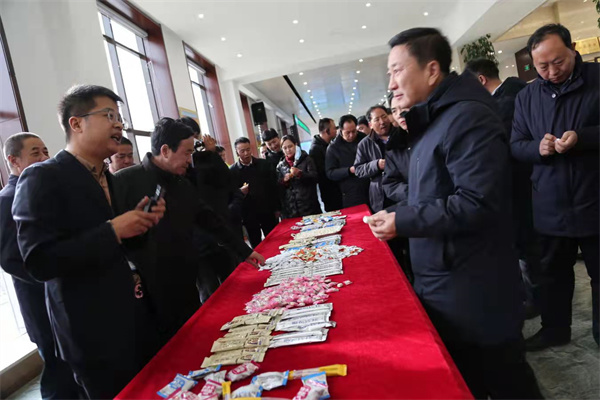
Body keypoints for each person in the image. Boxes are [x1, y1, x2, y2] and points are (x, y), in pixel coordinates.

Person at [367, 28, 542, 399]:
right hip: (448, 281)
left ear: (432, 70)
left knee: (507, 383)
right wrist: (398, 211)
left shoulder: (467, 117)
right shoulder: (433, 119)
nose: (391, 84)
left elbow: (478, 202)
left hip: (474, 290)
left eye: (397, 71)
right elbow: (432, 191)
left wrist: (403, 221)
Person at [12, 84, 165, 398]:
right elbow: (39, 261)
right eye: (109, 116)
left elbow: (117, 248)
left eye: (120, 118)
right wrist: (112, 230)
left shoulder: (106, 177)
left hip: (132, 316)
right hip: (90, 331)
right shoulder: (43, 177)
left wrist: (139, 226)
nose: (119, 125)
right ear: (76, 123)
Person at [113, 118, 264, 343]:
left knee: (192, 339)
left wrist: (245, 251)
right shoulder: (124, 182)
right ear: (165, 150)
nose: (189, 159)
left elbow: (210, 221)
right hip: (148, 290)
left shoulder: (182, 184)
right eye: (186, 153)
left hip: (185, 280)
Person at [511, 24, 599, 350]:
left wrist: (583, 138)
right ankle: (554, 330)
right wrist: (538, 148)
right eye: (542, 66)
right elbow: (516, 145)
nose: (552, 71)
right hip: (550, 202)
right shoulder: (526, 96)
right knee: (552, 275)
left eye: (558, 62)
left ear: (573, 49)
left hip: (594, 197)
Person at [0, 133, 81, 400]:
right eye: (35, 153)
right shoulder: (7, 199)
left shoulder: (41, 192)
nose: (45, 158)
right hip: (40, 301)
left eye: (46, 151)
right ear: (13, 160)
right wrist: (52, 278)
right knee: (58, 375)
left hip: (63, 296)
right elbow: (10, 259)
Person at [465, 58, 540, 319]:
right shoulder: (514, 94)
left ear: (480, 80)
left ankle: (535, 300)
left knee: (527, 247)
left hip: (519, 184)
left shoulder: (505, 103)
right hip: (523, 185)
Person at [179, 117, 244, 297]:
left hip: (219, 232)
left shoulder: (207, 158)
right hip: (197, 243)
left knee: (233, 284)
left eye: (195, 137)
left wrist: (211, 154)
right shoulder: (178, 166)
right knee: (209, 292)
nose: (193, 143)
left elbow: (227, 182)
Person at [230, 137, 280, 248]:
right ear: (237, 152)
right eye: (242, 151)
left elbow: (273, 187)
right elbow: (231, 194)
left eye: (248, 149)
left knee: (275, 242)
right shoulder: (233, 171)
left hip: (267, 211)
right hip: (248, 215)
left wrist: (277, 208)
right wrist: (240, 192)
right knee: (256, 246)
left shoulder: (264, 164)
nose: (246, 153)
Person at [354, 105, 398, 212]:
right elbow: (358, 170)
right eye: (377, 119)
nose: (382, 122)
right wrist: (376, 165)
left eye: (384, 117)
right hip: (381, 195)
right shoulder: (364, 144)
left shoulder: (401, 134)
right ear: (370, 124)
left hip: (404, 190)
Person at [325, 115, 369, 208]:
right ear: (341, 130)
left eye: (354, 131)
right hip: (351, 191)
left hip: (370, 186)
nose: (351, 135)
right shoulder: (333, 148)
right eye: (347, 133)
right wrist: (349, 170)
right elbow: (330, 173)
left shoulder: (364, 139)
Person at [276, 135, 322, 218]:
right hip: (291, 210)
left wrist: (300, 174)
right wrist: (284, 180)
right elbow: (279, 187)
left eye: (290, 146)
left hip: (309, 207)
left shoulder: (307, 159)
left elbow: (315, 178)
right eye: (285, 148)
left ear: (295, 145)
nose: (288, 150)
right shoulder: (280, 166)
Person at [309, 118, 342, 211]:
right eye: (334, 128)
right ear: (327, 131)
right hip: (330, 192)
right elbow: (322, 173)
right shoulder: (315, 149)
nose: (336, 130)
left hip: (337, 190)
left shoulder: (329, 145)